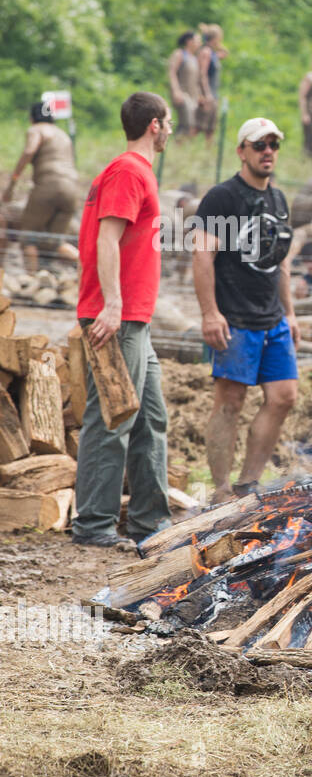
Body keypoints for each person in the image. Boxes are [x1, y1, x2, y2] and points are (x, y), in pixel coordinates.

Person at [71, 92, 173, 547]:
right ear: (154, 125)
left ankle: (152, 522)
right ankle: (92, 525)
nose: (170, 130)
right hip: (119, 317)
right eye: (167, 122)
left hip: (136, 319)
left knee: (151, 418)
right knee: (111, 420)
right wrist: (111, 305)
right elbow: (106, 239)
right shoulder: (129, 172)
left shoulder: (133, 172)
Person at [191, 118, 299, 502]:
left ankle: (248, 483)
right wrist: (209, 313)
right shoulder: (222, 198)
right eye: (259, 145)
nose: (267, 151)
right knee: (230, 402)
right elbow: (202, 256)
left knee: (284, 396)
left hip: (273, 319)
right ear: (242, 151)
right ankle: (220, 490)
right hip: (234, 319)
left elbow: (280, 261)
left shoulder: (279, 200)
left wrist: (291, 313)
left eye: (273, 144)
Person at [3, 101, 80, 273]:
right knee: (53, 242)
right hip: (72, 189)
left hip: (48, 185)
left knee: (28, 238)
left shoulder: (36, 129)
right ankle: (88, 265)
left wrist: (13, 181)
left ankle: (32, 280)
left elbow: (30, 150)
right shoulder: (63, 135)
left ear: (32, 118)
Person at [167, 31, 204, 139]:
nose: (199, 43)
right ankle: (178, 144)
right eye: (197, 41)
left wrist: (200, 95)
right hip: (182, 94)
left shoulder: (194, 58)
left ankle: (185, 146)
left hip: (193, 96)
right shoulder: (179, 54)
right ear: (189, 41)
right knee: (187, 123)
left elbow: (196, 80)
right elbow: (172, 72)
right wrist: (176, 91)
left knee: (193, 124)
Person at [195, 24, 227, 142]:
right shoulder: (206, 52)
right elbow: (202, 74)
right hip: (207, 93)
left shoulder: (213, 52)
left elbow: (225, 53)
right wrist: (207, 94)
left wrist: (217, 44)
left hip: (213, 94)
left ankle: (208, 152)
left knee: (211, 128)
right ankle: (183, 146)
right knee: (199, 125)